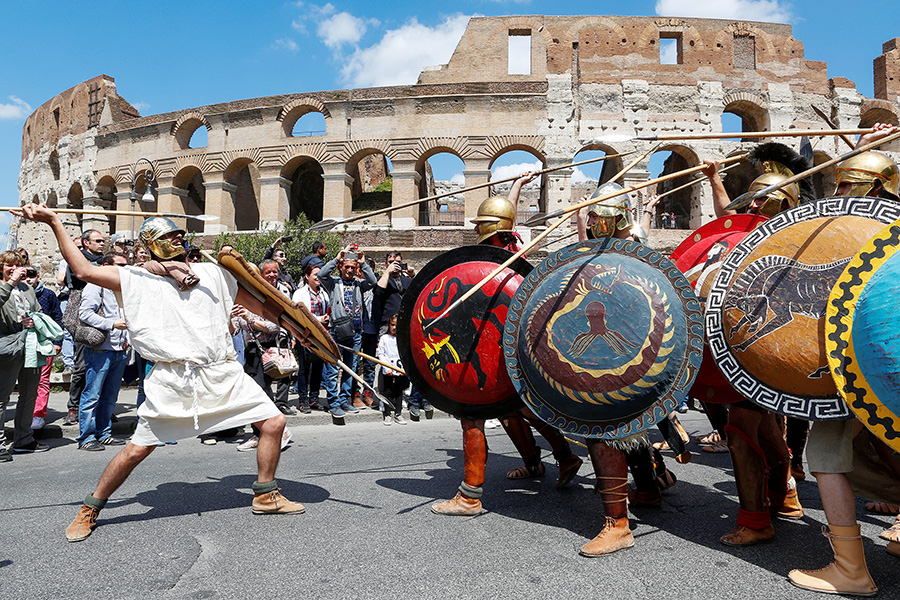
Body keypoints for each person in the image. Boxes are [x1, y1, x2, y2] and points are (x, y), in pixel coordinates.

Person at [15, 206, 305, 542]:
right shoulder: (134, 279)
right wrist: (53, 221)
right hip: (173, 380)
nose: (177, 239)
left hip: (221, 371)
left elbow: (261, 302)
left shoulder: (212, 274)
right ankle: (91, 507)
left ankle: (265, 494)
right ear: (152, 244)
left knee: (274, 423)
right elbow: (83, 269)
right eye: (168, 236)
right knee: (138, 448)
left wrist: (295, 327)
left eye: (179, 235)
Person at [432, 172, 583, 521]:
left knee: (472, 411)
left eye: (482, 225)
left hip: (501, 350)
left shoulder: (503, 260)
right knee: (512, 408)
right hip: (507, 351)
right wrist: (516, 186)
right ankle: (554, 458)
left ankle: (470, 496)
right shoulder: (511, 250)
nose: (475, 231)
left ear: (492, 228)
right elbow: (508, 215)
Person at [788, 124, 899, 596]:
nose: (840, 194)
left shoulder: (866, 228)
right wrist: (867, 152)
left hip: (852, 361)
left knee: (826, 457)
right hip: (884, 359)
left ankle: (851, 569)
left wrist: (867, 155)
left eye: (847, 185)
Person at [697, 143, 809, 549]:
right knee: (763, 427)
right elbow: (728, 218)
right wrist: (712, 179)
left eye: (764, 197)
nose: (755, 203)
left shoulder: (796, 240)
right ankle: (787, 497)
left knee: (742, 430)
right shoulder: (750, 233)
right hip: (746, 346)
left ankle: (755, 520)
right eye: (754, 195)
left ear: (785, 201)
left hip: (765, 349)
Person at [75, 252, 131, 451]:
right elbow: (85, 314)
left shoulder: (123, 288)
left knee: (110, 396)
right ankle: (86, 437)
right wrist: (111, 324)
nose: (124, 270)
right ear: (106, 266)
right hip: (100, 349)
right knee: (92, 395)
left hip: (118, 349)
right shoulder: (95, 285)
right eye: (120, 266)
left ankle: (104, 433)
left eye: (126, 266)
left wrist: (127, 340)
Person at [318, 245, 377, 418]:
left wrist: (363, 263)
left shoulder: (359, 284)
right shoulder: (333, 282)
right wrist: (337, 258)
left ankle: (345, 400)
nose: (350, 270)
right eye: (347, 267)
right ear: (341, 268)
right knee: (333, 369)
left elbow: (373, 281)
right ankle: (334, 403)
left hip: (355, 333)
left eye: (353, 267)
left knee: (351, 369)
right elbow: (321, 274)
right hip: (336, 332)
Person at [0, 251, 48, 461]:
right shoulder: (3, 287)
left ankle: (24, 439)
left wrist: (33, 320)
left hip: (29, 345)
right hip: (7, 347)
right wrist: (10, 282)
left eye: (18, 265)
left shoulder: (27, 288)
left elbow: (38, 312)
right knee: (2, 398)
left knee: (29, 394)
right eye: (9, 265)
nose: (15, 269)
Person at [62, 229, 107, 427]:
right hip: (81, 315)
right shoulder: (78, 260)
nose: (102, 244)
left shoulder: (106, 260)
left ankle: (101, 408)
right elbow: (85, 275)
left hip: (103, 313)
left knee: (105, 364)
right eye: (97, 241)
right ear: (85, 242)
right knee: (81, 366)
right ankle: (74, 407)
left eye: (103, 240)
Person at [24, 265, 63, 430]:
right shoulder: (15, 294)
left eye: (31, 274)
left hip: (44, 344)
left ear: (38, 276)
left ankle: (38, 414)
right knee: (25, 381)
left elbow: (58, 318)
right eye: (24, 274)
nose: (28, 278)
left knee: (42, 380)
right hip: (23, 343)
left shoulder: (48, 295)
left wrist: (58, 342)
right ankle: (25, 414)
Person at [292, 264, 330, 413]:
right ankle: (303, 400)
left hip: (321, 336)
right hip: (305, 335)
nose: (318, 277)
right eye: (315, 274)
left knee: (318, 368)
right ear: (307, 276)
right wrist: (320, 319)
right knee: (304, 369)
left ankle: (314, 398)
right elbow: (300, 314)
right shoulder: (299, 293)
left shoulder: (324, 293)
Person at [376, 314, 407, 425]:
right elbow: (381, 354)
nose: (394, 327)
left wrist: (403, 368)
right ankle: (387, 413)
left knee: (399, 392)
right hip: (388, 369)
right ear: (389, 325)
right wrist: (386, 367)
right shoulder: (384, 338)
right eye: (392, 325)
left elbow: (404, 354)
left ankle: (398, 413)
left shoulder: (402, 339)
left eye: (396, 325)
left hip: (399, 370)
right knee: (387, 391)